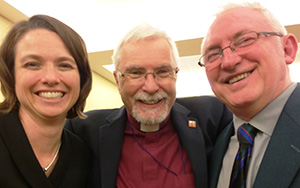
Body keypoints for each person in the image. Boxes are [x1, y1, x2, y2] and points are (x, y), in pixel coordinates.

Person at [65, 23, 232, 188]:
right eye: (136, 73)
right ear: (117, 80)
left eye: (163, 71)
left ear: (175, 74)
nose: (151, 87)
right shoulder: (84, 130)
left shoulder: (212, 116)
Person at [199, 2, 299, 188]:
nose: (228, 62)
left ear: (287, 49)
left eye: (245, 40)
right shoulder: (214, 148)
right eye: (213, 55)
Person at [0, 14, 92, 187]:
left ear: (82, 77)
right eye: (32, 64)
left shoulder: (81, 155)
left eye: (64, 65)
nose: (51, 78)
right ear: (11, 75)